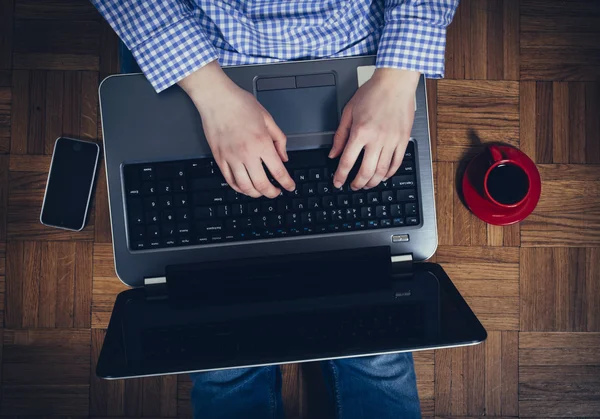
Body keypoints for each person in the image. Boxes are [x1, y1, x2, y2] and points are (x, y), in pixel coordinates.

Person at [92, 1, 458, 417]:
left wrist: (396, 78)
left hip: (357, 49)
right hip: (199, 55)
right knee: (224, 369)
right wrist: (212, 95)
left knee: (380, 355)